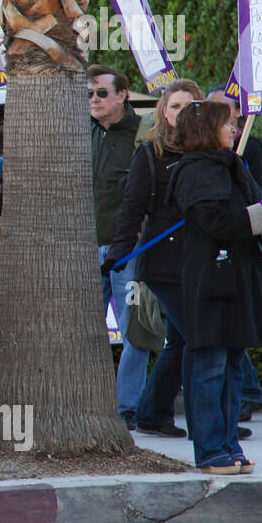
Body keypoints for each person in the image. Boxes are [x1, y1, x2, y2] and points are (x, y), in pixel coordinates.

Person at [170, 99, 262, 474]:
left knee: (233, 365)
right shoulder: (195, 171)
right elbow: (216, 221)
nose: (234, 129)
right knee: (210, 365)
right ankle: (210, 450)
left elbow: (247, 220)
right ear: (206, 130)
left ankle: (229, 445)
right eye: (227, 124)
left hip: (239, 278)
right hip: (212, 280)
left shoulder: (233, 165)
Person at [104, 79, 202, 438]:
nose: (181, 113)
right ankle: (203, 421)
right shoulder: (150, 154)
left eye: (189, 106)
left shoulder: (208, 152)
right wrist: (118, 254)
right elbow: (131, 209)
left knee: (179, 342)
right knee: (196, 338)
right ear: (164, 111)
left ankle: (152, 413)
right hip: (162, 265)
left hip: (199, 262)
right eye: (174, 106)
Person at [88, 64, 153, 429]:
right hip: (86, 249)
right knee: (81, 331)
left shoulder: (143, 134)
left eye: (101, 93)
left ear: (122, 94)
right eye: (89, 94)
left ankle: (127, 408)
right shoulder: (84, 132)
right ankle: (89, 403)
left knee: (135, 331)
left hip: (128, 251)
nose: (94, 100)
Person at [207, 87, 262, 427]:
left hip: (240, 256)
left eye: (223, 109)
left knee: (233, 338)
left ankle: (245, 397)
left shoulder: (248, 151)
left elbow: (251, 202)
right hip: (215, 260)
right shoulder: (201, 162)